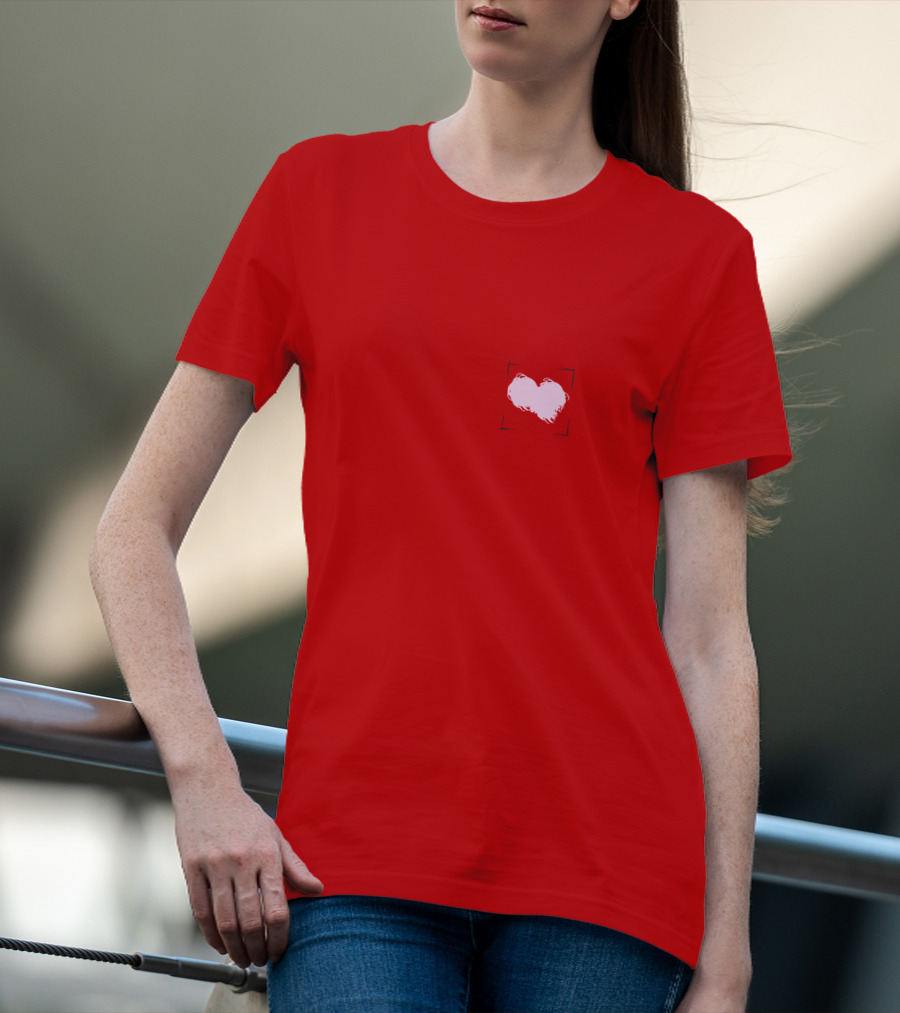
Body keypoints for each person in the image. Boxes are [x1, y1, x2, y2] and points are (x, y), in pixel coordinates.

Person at [89, 2, 796, 1011]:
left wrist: (725, 957)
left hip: (611, 885)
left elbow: (712, 640)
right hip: (350, 866)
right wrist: (202, 776)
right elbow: (131, 530)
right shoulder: (317, 193)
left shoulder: (700, 256)